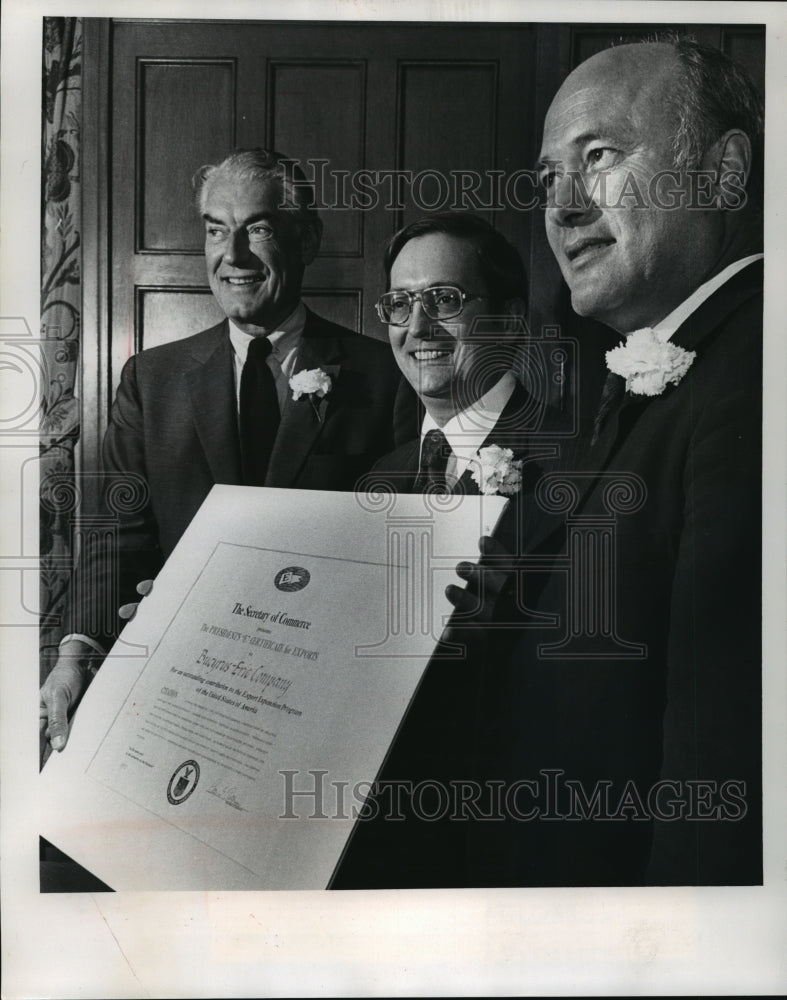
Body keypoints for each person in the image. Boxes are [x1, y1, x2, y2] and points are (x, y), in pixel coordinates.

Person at [452, 38, 763, 886]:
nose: (562, 204)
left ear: (724, 174)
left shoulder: (758, 370)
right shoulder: (633, 371)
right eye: (549, 176)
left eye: (599, 155)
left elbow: (727, 763)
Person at [40, 148, 402, 756]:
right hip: (182, 689)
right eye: (215, 230)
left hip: (326, 700)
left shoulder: (384, 376)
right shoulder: (151, 380)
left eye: (257, 229)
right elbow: (117, 538)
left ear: (306, 239)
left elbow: (395, 555)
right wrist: (75, 652)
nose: (231, 257)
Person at [333, 213, 564, 888]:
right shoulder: (376, 477)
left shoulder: (578, 463)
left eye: (445, 300)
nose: (417, 328)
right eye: (400, 304)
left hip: (513, 840)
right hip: (380, 841)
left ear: (511, 319)